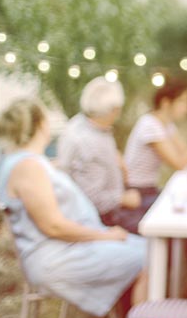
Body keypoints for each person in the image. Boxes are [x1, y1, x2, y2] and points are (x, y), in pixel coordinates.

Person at [0, 98, 147, 318]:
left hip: (66, 249)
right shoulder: (28, 167)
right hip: (56, 258)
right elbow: (53, 226)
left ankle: (140, 317)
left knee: (149, 247)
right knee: (151, 256)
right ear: (41, 125)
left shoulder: (22, 161)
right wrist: (104, 235)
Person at [124, 77, 187, 282]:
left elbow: (185, 157)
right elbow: (179, 163)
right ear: (166, 103)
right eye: (183, 102)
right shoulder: (149, 126)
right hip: (138, 192)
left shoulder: (165, 125)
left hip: (149, 189)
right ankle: (177, 278)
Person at [57, 76, 152, 234]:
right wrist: (123, 198)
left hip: (113, 205)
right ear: (114, 110)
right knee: (161, 226)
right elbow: (91, 199)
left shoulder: (79, 123)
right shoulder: (90, 142)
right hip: (105, 218)